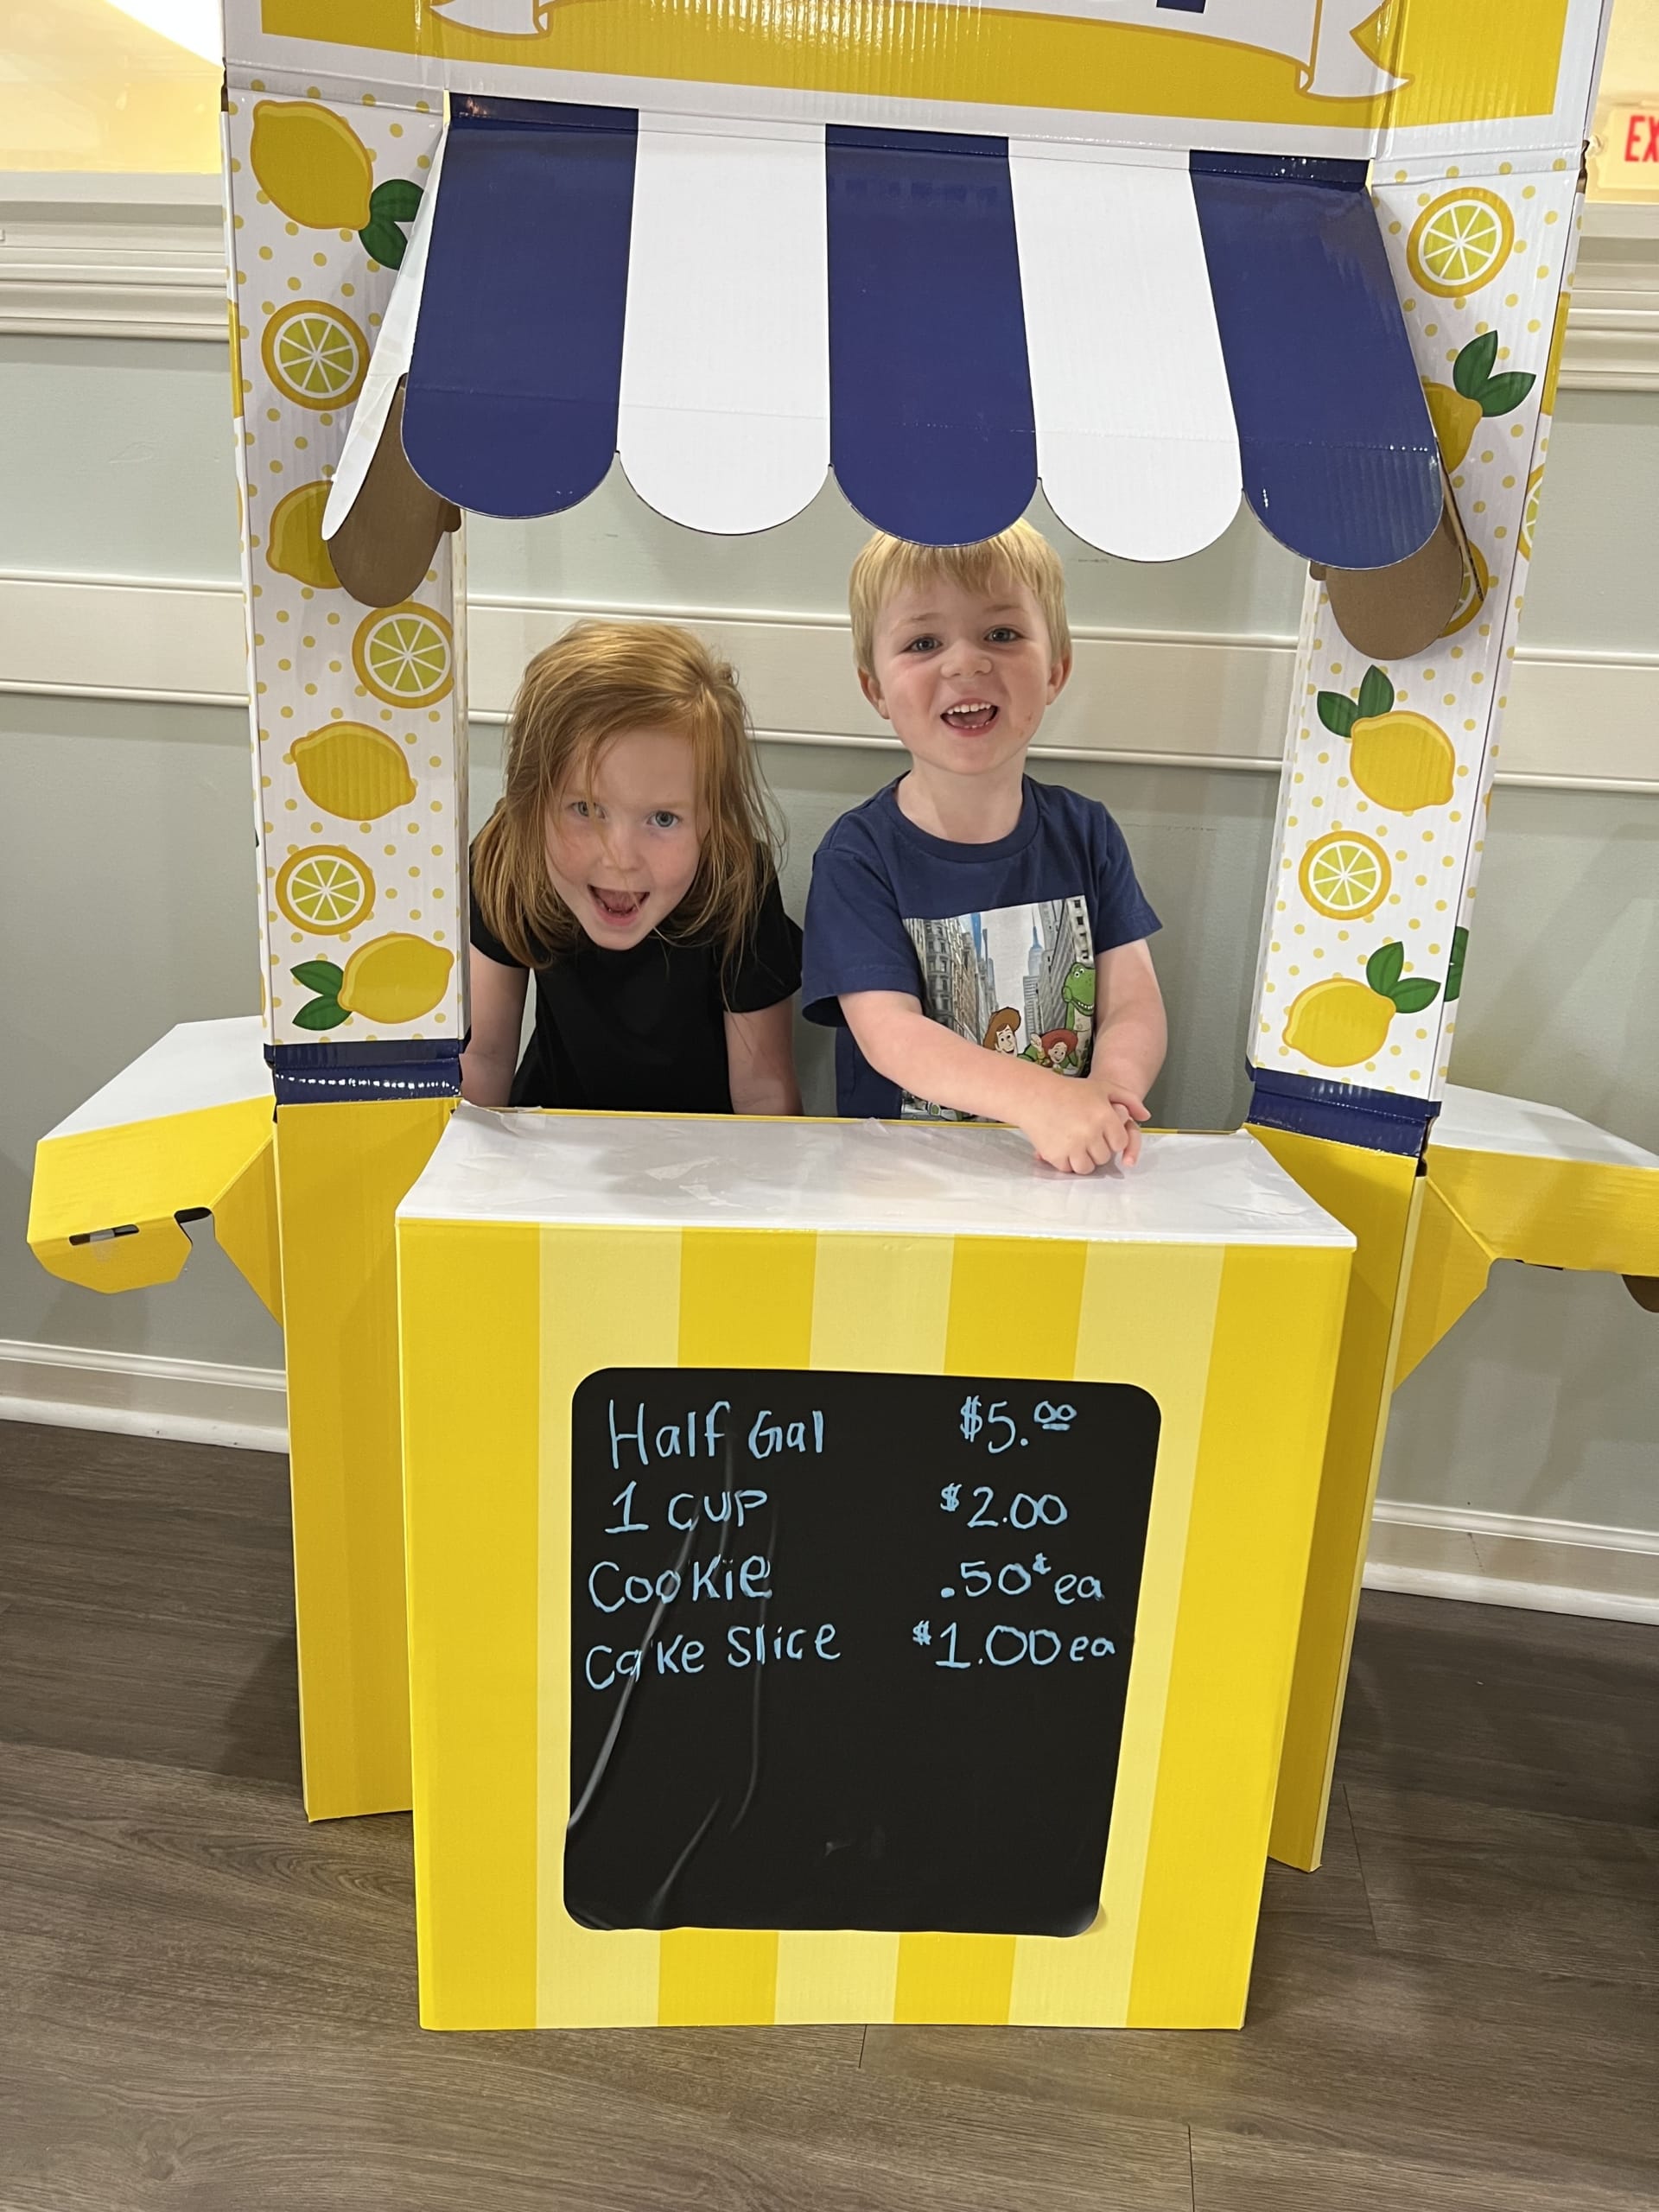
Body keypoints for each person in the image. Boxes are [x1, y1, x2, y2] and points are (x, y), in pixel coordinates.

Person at [802, 522, 1166, 1174]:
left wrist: (1110, 1094)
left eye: (1001, 634)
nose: (965, 663)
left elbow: (1134, 1003)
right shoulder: (857, 858)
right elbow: (891, 1035)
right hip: (901, 1184)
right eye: (923, 642)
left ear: (1056, 670)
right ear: (875, 689)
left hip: (1062, 1171)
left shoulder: (1087, 834)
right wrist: (1041, 1099)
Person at [462, 620, 803, 1116]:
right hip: (550, 1138)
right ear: (531, 802)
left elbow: (762, 1091)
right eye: (586, 809)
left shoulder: (736, 882)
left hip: (705, 1150)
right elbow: (485, 1057)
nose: (620, 859)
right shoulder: (508, 859)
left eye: (663, 818)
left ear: (711, 818)